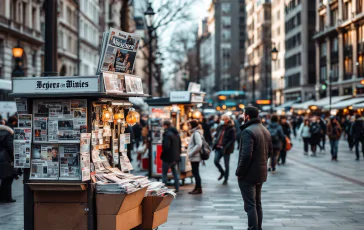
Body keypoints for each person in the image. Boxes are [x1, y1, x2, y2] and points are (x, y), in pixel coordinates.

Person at [236, 106, 272, 230]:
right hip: (260, 173)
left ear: (247, 116)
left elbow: (246, 155)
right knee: (257, 204)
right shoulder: (265, 130)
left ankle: (253, 228)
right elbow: (269, 152)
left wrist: (239, 172)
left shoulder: (248, 131)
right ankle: (258, 228)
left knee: (250, 205)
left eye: (243, 114)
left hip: (248, 174)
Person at [213, 115, 236, 185]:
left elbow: (232, 140)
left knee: (226, 164)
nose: (222, 120)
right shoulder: (220, 126)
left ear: (227, 120)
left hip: (226, 149)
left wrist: (226, 146)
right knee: (216, 161)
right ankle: (222, 172)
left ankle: (226, 178)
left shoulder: (231, 128)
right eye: (222, 119)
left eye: (224, 119)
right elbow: (217, 134)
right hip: (218, 147)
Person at [161, 120, 181, 192]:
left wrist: (163, 154)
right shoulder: (176, 133)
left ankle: (163, 189)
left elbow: (166, 146)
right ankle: (177, 187)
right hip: (175, 157)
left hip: (167, 157)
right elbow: (179, 146)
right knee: (175, 173)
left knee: (164, 173)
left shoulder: (167, 134)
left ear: (166, 126)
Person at [0, 123, 16, 203]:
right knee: (8, 178)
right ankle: (6, 197)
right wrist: (13, 157)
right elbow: (10, 147)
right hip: (5, 158)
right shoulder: (7, 134)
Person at [187, 120, 203, 194]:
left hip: (195, 156)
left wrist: (191, 152)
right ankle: (197, 187)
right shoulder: (194, 133)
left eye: (189, 125)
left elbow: (199, 144)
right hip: (194, 156)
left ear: (193, 125)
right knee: (195, 172)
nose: (188, 126)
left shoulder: (196, 133)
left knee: (196, 172)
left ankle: (198, 188)